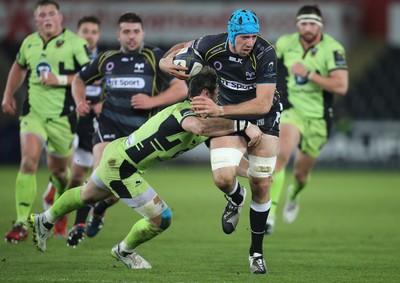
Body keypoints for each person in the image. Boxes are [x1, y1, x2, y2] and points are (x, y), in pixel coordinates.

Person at [28, 67, 263, 270]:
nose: (219, 100)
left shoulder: (204, 122)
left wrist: (254, 171)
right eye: (217, 95)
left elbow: (223, 158)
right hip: (122, 167)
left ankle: (44, 220)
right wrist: (244, 124)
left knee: (85, 195)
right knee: (162, 218)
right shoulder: (186, 113)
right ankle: (124, 251)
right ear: (205, 94)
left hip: (117, 154)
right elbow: (198, 128)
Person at [159, 9, 282, 274]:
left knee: (262, 182)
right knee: (223, 178)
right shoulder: (210, 44)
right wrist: (164, 63)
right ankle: (236, 196)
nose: (249, 42)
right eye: (244, 37)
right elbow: (183, 47)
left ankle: (256, 253)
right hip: (228, 113)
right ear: (232, 34)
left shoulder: (264, 53)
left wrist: (219, 112)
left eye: (253, 36)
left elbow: (262, 103)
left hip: (264, 118)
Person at [66, 12, 188, 247]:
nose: (131, 37)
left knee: (111, 192)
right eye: (126, 32)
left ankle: (99, 210)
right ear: (118, 35)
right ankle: (78, 225)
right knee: (99, 175)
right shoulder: (107, 59)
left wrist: (153, 101)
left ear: (143, 34)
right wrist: (80, 101)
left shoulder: (154, 57)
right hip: (108, 125)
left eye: (135, 32)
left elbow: (181, 90)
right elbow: (79, 80)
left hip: (138, 136)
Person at [2, 0, 91, 243]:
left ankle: (58, 211)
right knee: (29, 161)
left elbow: (89, 74)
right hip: (34, 114)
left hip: (63, 117)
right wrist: (8, 95)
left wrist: (59, 78)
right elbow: (19, 68)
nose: (47, 17)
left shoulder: (75, 43)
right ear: (36, 20)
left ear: (60, 18)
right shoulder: (29, 42)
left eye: (51, 13)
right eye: (42, 14)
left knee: (61, 172)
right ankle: (20, 222)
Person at [264, 5, 348, 234]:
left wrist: (310, 74)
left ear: (320, 25)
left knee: (301, 175)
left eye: (312, 24)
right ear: (297, 24)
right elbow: (269, 64)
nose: (307, 28)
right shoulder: (285, 43)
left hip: (319, 118)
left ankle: (294, 193)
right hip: (293, 112)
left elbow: (341, 86)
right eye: (303, 23)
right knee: (280, 155)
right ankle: (269, 215)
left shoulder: (332, 49)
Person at [41, 15, 103, 237]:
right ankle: (58, 218)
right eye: (85, 31)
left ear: (99, 36)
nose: (89, 35)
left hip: (91, 128)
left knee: (77, 179)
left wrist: (102, 104)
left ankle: (54, 195)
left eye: (94, 31)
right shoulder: (67, 58)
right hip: (68, 120)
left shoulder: (104, 61)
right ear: (77, 34)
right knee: (69, 172)